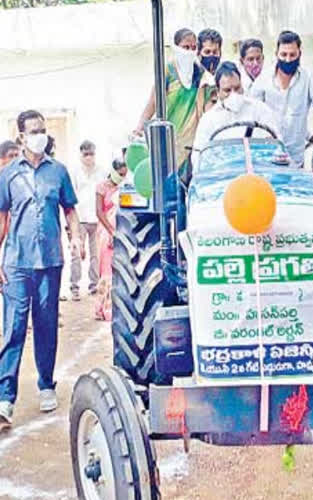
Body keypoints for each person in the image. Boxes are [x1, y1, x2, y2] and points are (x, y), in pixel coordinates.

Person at [0, 109, 83, 424]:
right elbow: (0, 219)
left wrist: (76, 238)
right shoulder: (9, 174)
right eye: (33, 130)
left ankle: (46, 385)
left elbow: (70, 210)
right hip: (16, 263)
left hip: (50, 261)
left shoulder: (58, 171)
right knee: (14, 329)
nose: (39, 135)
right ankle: (3, 398)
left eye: (42, 129)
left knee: (46, 326)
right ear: (21, 136)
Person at [250, 31, 313, 168]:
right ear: (276, 54)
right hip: (266, 158)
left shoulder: (308, 78)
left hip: (295, 159)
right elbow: (252, 112)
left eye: (292, 55)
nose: (288, 59)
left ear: (299, 54)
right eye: (283, 54)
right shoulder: (263, 80)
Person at [133, 28, 217, 177]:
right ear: (176, 48)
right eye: (186, 47)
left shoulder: (202, 75)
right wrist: (139, 127)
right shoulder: (167, 71)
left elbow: (209, 107)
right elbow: (153, 102)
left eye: (193, 48)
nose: (190, 51)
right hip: (170, 141)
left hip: (193, 141)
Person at [191, 62, 280, 169]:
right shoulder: (209, 120)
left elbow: (278, 145)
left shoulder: (260, 110)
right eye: (227, 90)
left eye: (237, 88)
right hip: (223, 176)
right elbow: (198, 158)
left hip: (258, 174)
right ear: (218, 92)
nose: (233, 94)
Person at [94, 159, 128, 321]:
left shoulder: (125, 187)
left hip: (122, 230)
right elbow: (99, 212)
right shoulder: (102, 187)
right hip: (107, 230)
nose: (123, 177)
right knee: (107, 270)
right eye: (120, 174)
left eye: (125, 174)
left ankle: (117, 306)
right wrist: (111, 231)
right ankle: (104, 307)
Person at [68, 140, 101, 300]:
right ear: (81, 155)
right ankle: (74, 287)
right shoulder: (75, 172)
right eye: (85, 154)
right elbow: (70, 198)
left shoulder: (101, 171)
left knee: (96, 255)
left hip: (97, 219)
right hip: (79, 220)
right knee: (76, 254)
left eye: (91, 154)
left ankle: (94, 285)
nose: (89, 158)